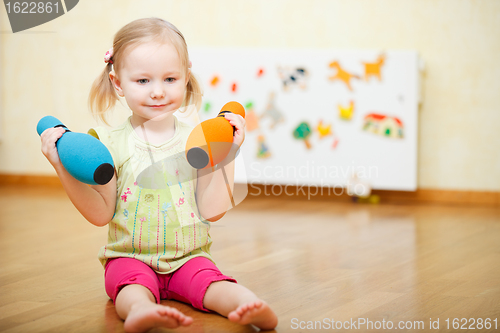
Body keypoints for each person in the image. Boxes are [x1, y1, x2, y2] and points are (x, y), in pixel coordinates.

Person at [40, 17, 278, 332]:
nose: (157, 92)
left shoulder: (199, 140)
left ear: (186, 77)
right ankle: (140, 310)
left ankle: (248, 304)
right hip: (129, 259)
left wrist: (229, 153)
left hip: (189, 257)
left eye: (169, 79)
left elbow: (213, 210)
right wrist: (60, 165)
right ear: (118, 83)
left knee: (215, 284)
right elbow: (100, 214)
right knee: (131, 289)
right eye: (143, 81)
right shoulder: (109, 144)